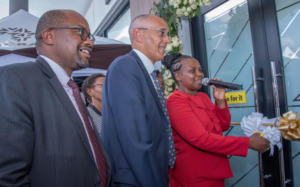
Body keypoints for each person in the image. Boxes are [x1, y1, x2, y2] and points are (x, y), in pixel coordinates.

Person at [0, 10, 111, 187]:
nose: (89, 42)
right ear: (49, 36)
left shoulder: (70, 88)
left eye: (90, 36)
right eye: (81, 32)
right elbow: (8, 175)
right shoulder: (15, 78)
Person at [162, 53, 270, 187]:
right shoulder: (175, 103)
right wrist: (247, 142)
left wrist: (220, 100)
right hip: (195, 176)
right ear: (177, 76)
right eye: (193, 71)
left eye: (200, 70)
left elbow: (223, 126)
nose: (200, 74)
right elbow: (201, 139)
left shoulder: (203, 97)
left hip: (215, 169)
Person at [101, 14, 174, 186]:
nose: (168, 40)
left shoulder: (144, 72)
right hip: (137, 178)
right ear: (138, 34)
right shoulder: (125, 65)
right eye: (162, 33)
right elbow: (135, 137)